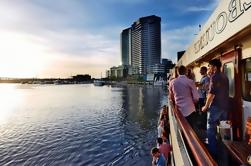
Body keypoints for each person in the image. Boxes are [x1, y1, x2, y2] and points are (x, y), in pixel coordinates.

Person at [202, 59, 229, 159]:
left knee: (211, 130)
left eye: (209, 66)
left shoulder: (215, 77)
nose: (209, 68)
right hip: (225, 106)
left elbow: (211, 94)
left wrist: (205, 106)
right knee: (224, 129)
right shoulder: (224, 76)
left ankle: (212, 153)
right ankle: (225, 150)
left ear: (214, 67)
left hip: (215, 107)